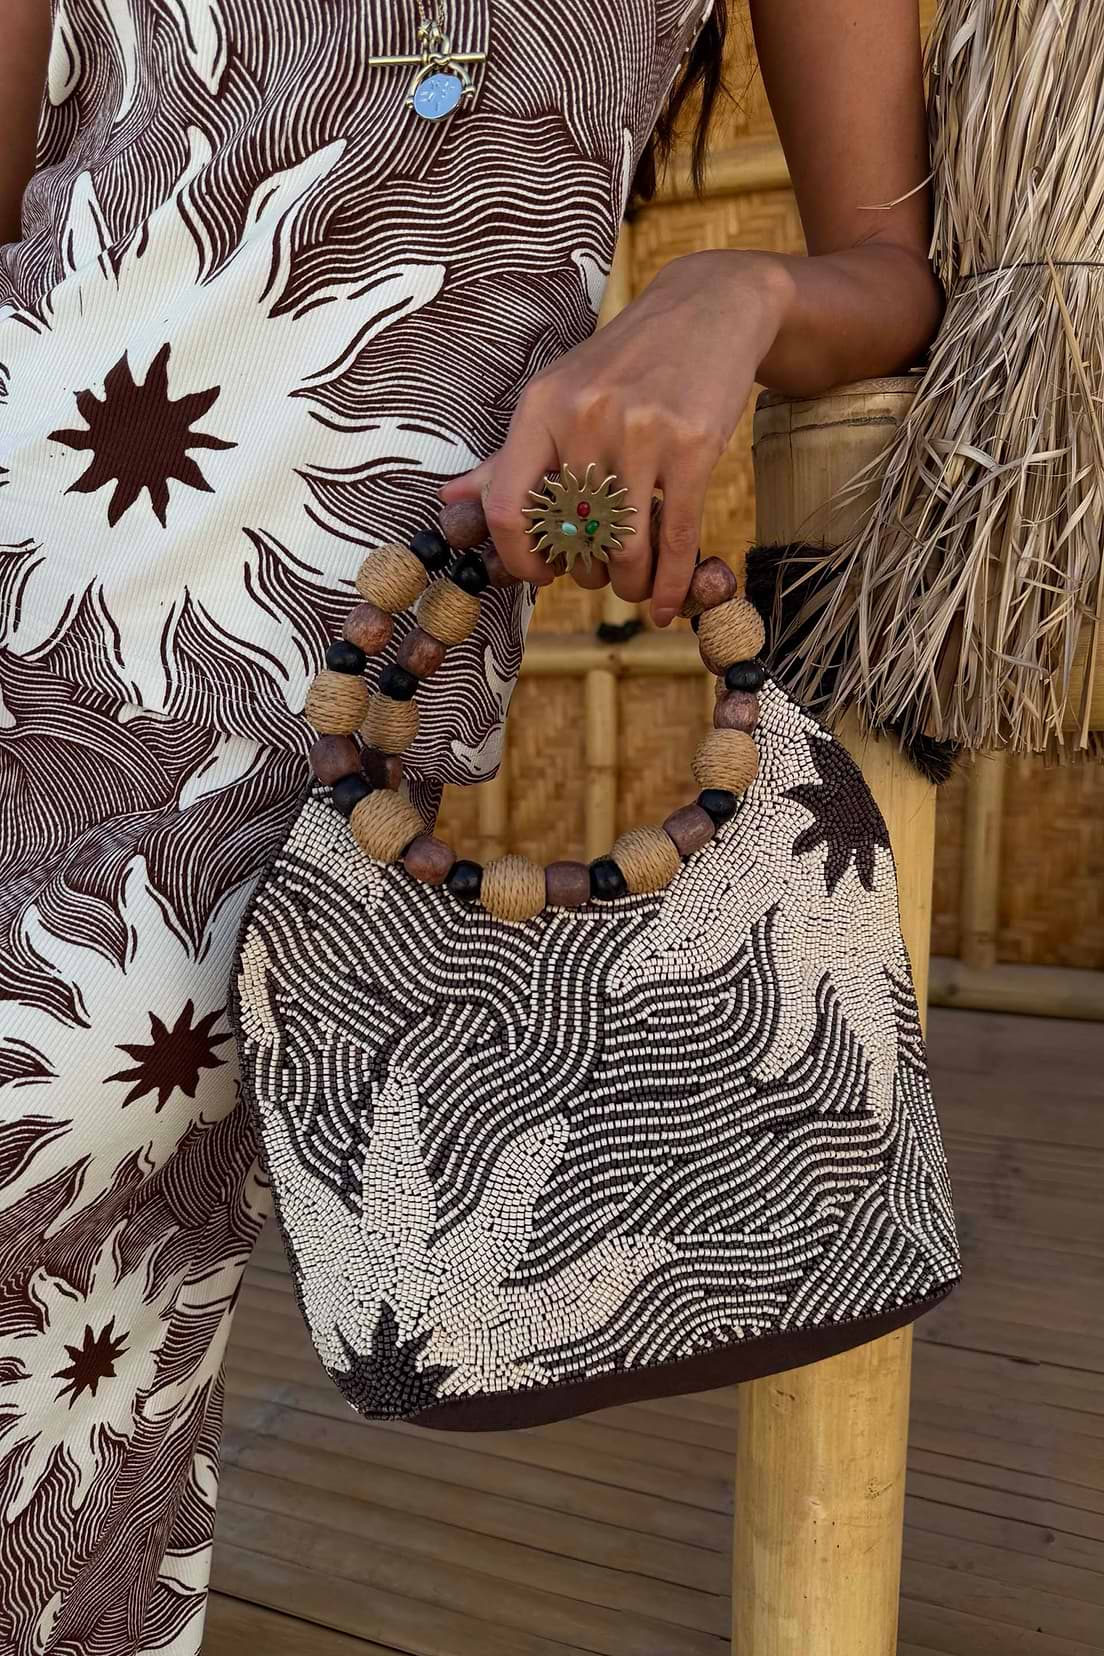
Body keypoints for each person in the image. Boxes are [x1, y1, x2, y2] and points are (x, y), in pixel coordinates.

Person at [0, 2, 940, 1649]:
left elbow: (896, 269)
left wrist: (734, 289)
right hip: (39, 492)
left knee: (78, 1220)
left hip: (303, 637)